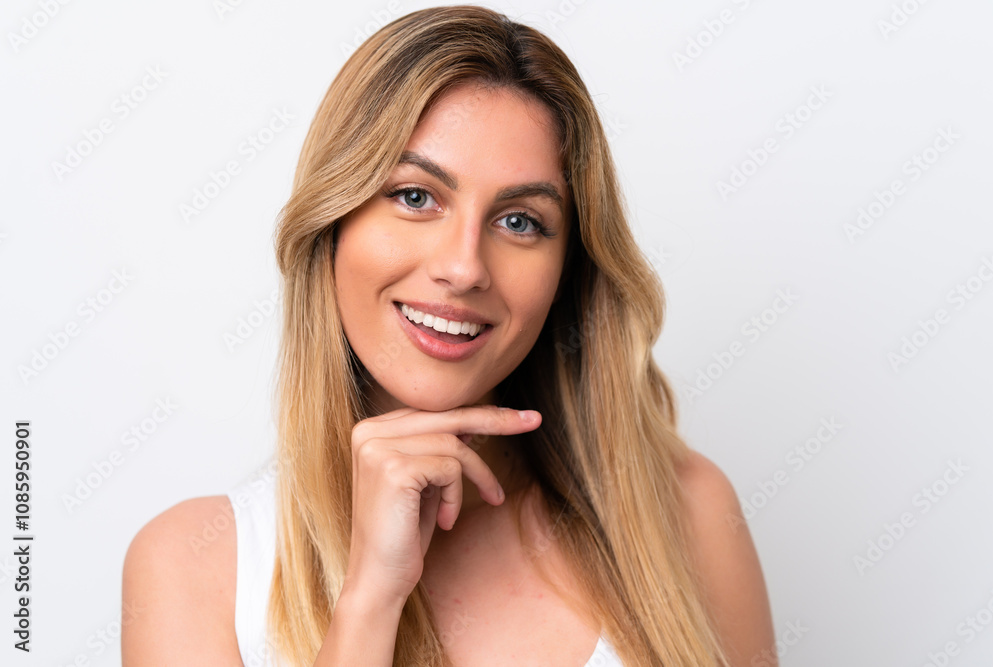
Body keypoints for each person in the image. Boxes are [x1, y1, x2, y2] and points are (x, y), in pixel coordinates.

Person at [121, 5, 775, 665]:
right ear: (333, 221)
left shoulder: (688, 517)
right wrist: (370, 598)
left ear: (566, 271)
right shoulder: (196, 568)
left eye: (521, 221)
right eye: (414, 196)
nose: (463, 268)